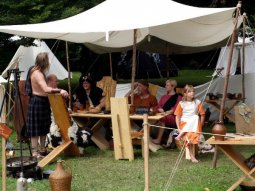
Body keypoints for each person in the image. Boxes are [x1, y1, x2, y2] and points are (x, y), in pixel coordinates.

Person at [26, 52, 68, 159]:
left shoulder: (38, 71)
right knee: (35, 129)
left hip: (42, 101)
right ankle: (35, 152)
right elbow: (45, 89)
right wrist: (60, 90)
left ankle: (42, 150)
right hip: (37, 101)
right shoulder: (37, 74)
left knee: (44, 127)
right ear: (45, 62)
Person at [174, 84, 205, 163]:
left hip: (195, 125)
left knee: (195, 117)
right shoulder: (181, 103)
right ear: (185, 93)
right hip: (184, 124)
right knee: (189, 136)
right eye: (190, 92)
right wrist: (179, 128)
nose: (192, 93)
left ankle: (180, 135)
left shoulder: (197, 102)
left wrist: (200, 126)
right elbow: (177, 117)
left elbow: (202, 115)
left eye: (193, 91)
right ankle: (192, 156)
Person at [151, 79, 182, 145]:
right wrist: (159, 109)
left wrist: (165, 112)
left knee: (163, 118)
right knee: (151, 118)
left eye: (167, 85)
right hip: (162, 114)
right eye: (166, 85)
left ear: (173, 87)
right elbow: (158, 106)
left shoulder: (178, 97)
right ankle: (146, 136)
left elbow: (176, 109)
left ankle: (158, 140)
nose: (165, 86)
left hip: (173, 117)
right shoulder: (163, 97)